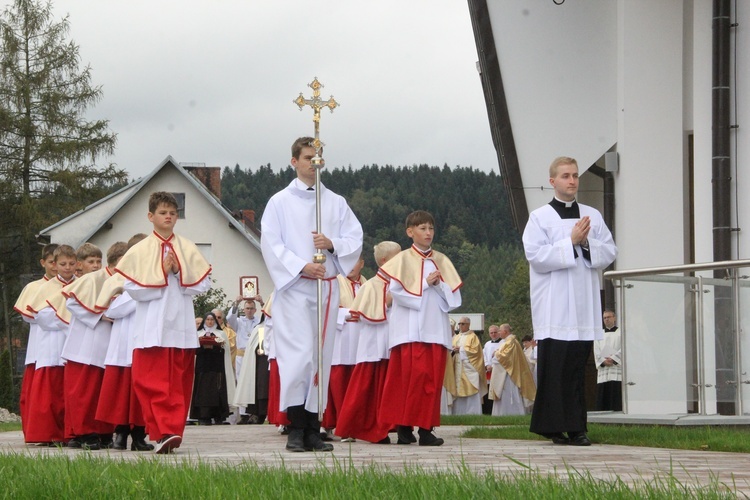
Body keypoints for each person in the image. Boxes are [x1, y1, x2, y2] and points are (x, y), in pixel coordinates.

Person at [260, 137, 363, 453]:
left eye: (318, 157)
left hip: (326, 287)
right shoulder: (279, 202)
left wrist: (332, 245)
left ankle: (313, 428)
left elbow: (354, 238)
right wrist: (302, 266)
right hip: (295, 288)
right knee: (298, 356)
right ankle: (294, 427)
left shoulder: (335, 202)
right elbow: (271, 244)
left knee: (320, 357)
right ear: (294, 162)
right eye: (307, 157)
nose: (313, 163)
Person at [523, 156, 617, 446]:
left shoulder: (592, 215)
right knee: (555, 367)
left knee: (577, 368)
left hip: (583, 303)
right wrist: (571, 242)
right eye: (565, 176)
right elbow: (536, 257)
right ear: (553, 181)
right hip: (554, 304)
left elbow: (610, 250)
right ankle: (553, 426)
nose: (572, 181)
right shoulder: (540, 217)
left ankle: (577, 427)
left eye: (575, 175)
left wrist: (586, 242)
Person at [115, 191, 212, 454]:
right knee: (149, 382)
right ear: (150, 216)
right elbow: (132, 289)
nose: (168, 216)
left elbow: (203, 284)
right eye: (162, 212)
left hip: (179, 325)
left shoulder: (188, 247)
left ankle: (171, 432)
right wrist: (162, 272)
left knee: (177, 382)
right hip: (151, 327)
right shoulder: (139, 250)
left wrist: (180, 271)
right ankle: (162, 431)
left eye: (172, 212)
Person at [378, 210, 462, 446]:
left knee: (431, 382)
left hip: (434, 327)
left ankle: (426, 429)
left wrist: (437, 286)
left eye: (431, 228)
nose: (428, 233)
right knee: (408, 381)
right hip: (409, 329)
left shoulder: (442, 260)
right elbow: (394, 293)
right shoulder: (401, 260)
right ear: (410, 232)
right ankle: (404, 429)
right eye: (423, 228)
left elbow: (454, 300)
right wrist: (425, 284)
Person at [335, 241, 401, 444]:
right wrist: (387, 302)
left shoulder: (400, 283)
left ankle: (389, 426)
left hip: (393, 343)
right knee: (367, 389)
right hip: (374, 345)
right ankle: (362, 428)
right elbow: (362, 314)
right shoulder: (370, 285)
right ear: (384, 261)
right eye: (398, 257)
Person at [60, 242, 123, 450]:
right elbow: (72, 303)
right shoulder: (90, 280)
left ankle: (104, 432)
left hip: (107, 342)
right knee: (84, 392)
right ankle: (85, 432)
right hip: (85, 341)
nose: (95, 265)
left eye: (98, 261)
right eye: (91, 261)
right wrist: (101, 316)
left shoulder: (118, 280)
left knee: (103, 392)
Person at [94, 233, 152, 452]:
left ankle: (139, 435)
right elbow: (110, 309)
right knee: (120, 393)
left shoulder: (153, 276)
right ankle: (119, 435)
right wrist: (140, 297)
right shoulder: (118, 278)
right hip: (123, 342)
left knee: (140, 392)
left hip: (144, 339)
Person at [23, 244, 78, 445]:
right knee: (51, 395)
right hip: (52, 344)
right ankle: (50, 434)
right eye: (63, 264)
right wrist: (70, 319)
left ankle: (72, 433)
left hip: (74, 344)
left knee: (73, 393)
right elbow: (41, 317)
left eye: (71, 264)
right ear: (54, 264)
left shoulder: (82, 284)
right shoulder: (44, 288)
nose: (67, 267)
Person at [14, 243, 58, 441]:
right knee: (41, 393)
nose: (56, 267)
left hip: (64, 342)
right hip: (41, 343)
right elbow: (28, 315)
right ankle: (42, 432)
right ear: (43, 263)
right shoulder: (34, 287)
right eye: (52, 263)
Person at [321, 257, 366, 441]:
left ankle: (352, 425)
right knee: (337, 382)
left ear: (362, 263)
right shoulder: (335, 281)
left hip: (360, 339)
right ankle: (332, 423)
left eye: (354, 262)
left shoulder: (367, 284)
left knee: (355, 384)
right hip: (340, 339)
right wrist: (348, 313)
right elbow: (326, 306)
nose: (350, 267)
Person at [190, 312, 234, 425]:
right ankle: (203, 416)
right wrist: (204, 347)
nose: (210, 322)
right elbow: (194, 351)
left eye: (212, 319)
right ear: (204, 321)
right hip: (202, 368)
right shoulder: (198, 333)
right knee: (202, 392)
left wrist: (214, 347)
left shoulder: (221, 334)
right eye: (208, 319)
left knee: (217, 391)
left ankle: (218, 415)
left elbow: (225, 350)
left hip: (216, 367)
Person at [226, 295, 264, 424]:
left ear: (255, 310)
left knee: (253, 383)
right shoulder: (239, 321)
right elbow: (229, 318)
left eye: (252, 308)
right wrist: (236, 302)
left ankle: (253, 411)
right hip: (241, 355)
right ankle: (243, 414)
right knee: (241, 383)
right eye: (247, 308)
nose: (249, 310)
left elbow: (269, 319)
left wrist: (262, 302)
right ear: (244, 309)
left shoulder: (259, 321)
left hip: (254, 356)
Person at [488, 324, 536, 416]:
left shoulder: (511, 342)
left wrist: (496, 354)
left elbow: (505, 357)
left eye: (499, 331)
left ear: (505, 331)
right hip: (506, 373)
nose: (498, 333)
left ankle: (511, 413)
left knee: (509, 393)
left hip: (509, 375)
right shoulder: (507, 341)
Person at [450, 317, 486, 415]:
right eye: (459, 324)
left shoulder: (473, 337)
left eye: (463, 324)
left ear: (468, 325)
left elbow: (476, 352)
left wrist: (461, 349)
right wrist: (453, 350)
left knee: (471, 389)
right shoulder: (457, 337)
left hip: (468, 368)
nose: (460, 326)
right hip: (456, 366)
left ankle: (472, 413)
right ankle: (458, 414)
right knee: (457, 390)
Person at [595, 310, 622, 411]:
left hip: (616, 367)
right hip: (604, 369)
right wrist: (603, 361)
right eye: (604, 318)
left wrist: (614, 358)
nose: (606, 319)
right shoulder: (599, 334)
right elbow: (596, 350)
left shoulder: (621, 332)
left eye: (609, 317)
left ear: (614, 318)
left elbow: (624, 347)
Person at [482, 324, 503, 414]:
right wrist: (487, 365)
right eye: (491, 333)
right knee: (488, 390)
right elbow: (484, 356)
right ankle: (487, 411)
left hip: (498, 370)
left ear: (499, 332)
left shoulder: (503, 343)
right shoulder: (487, 344)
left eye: (495, 332)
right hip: (488, 371)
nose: (493, 334)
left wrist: (493, 366)